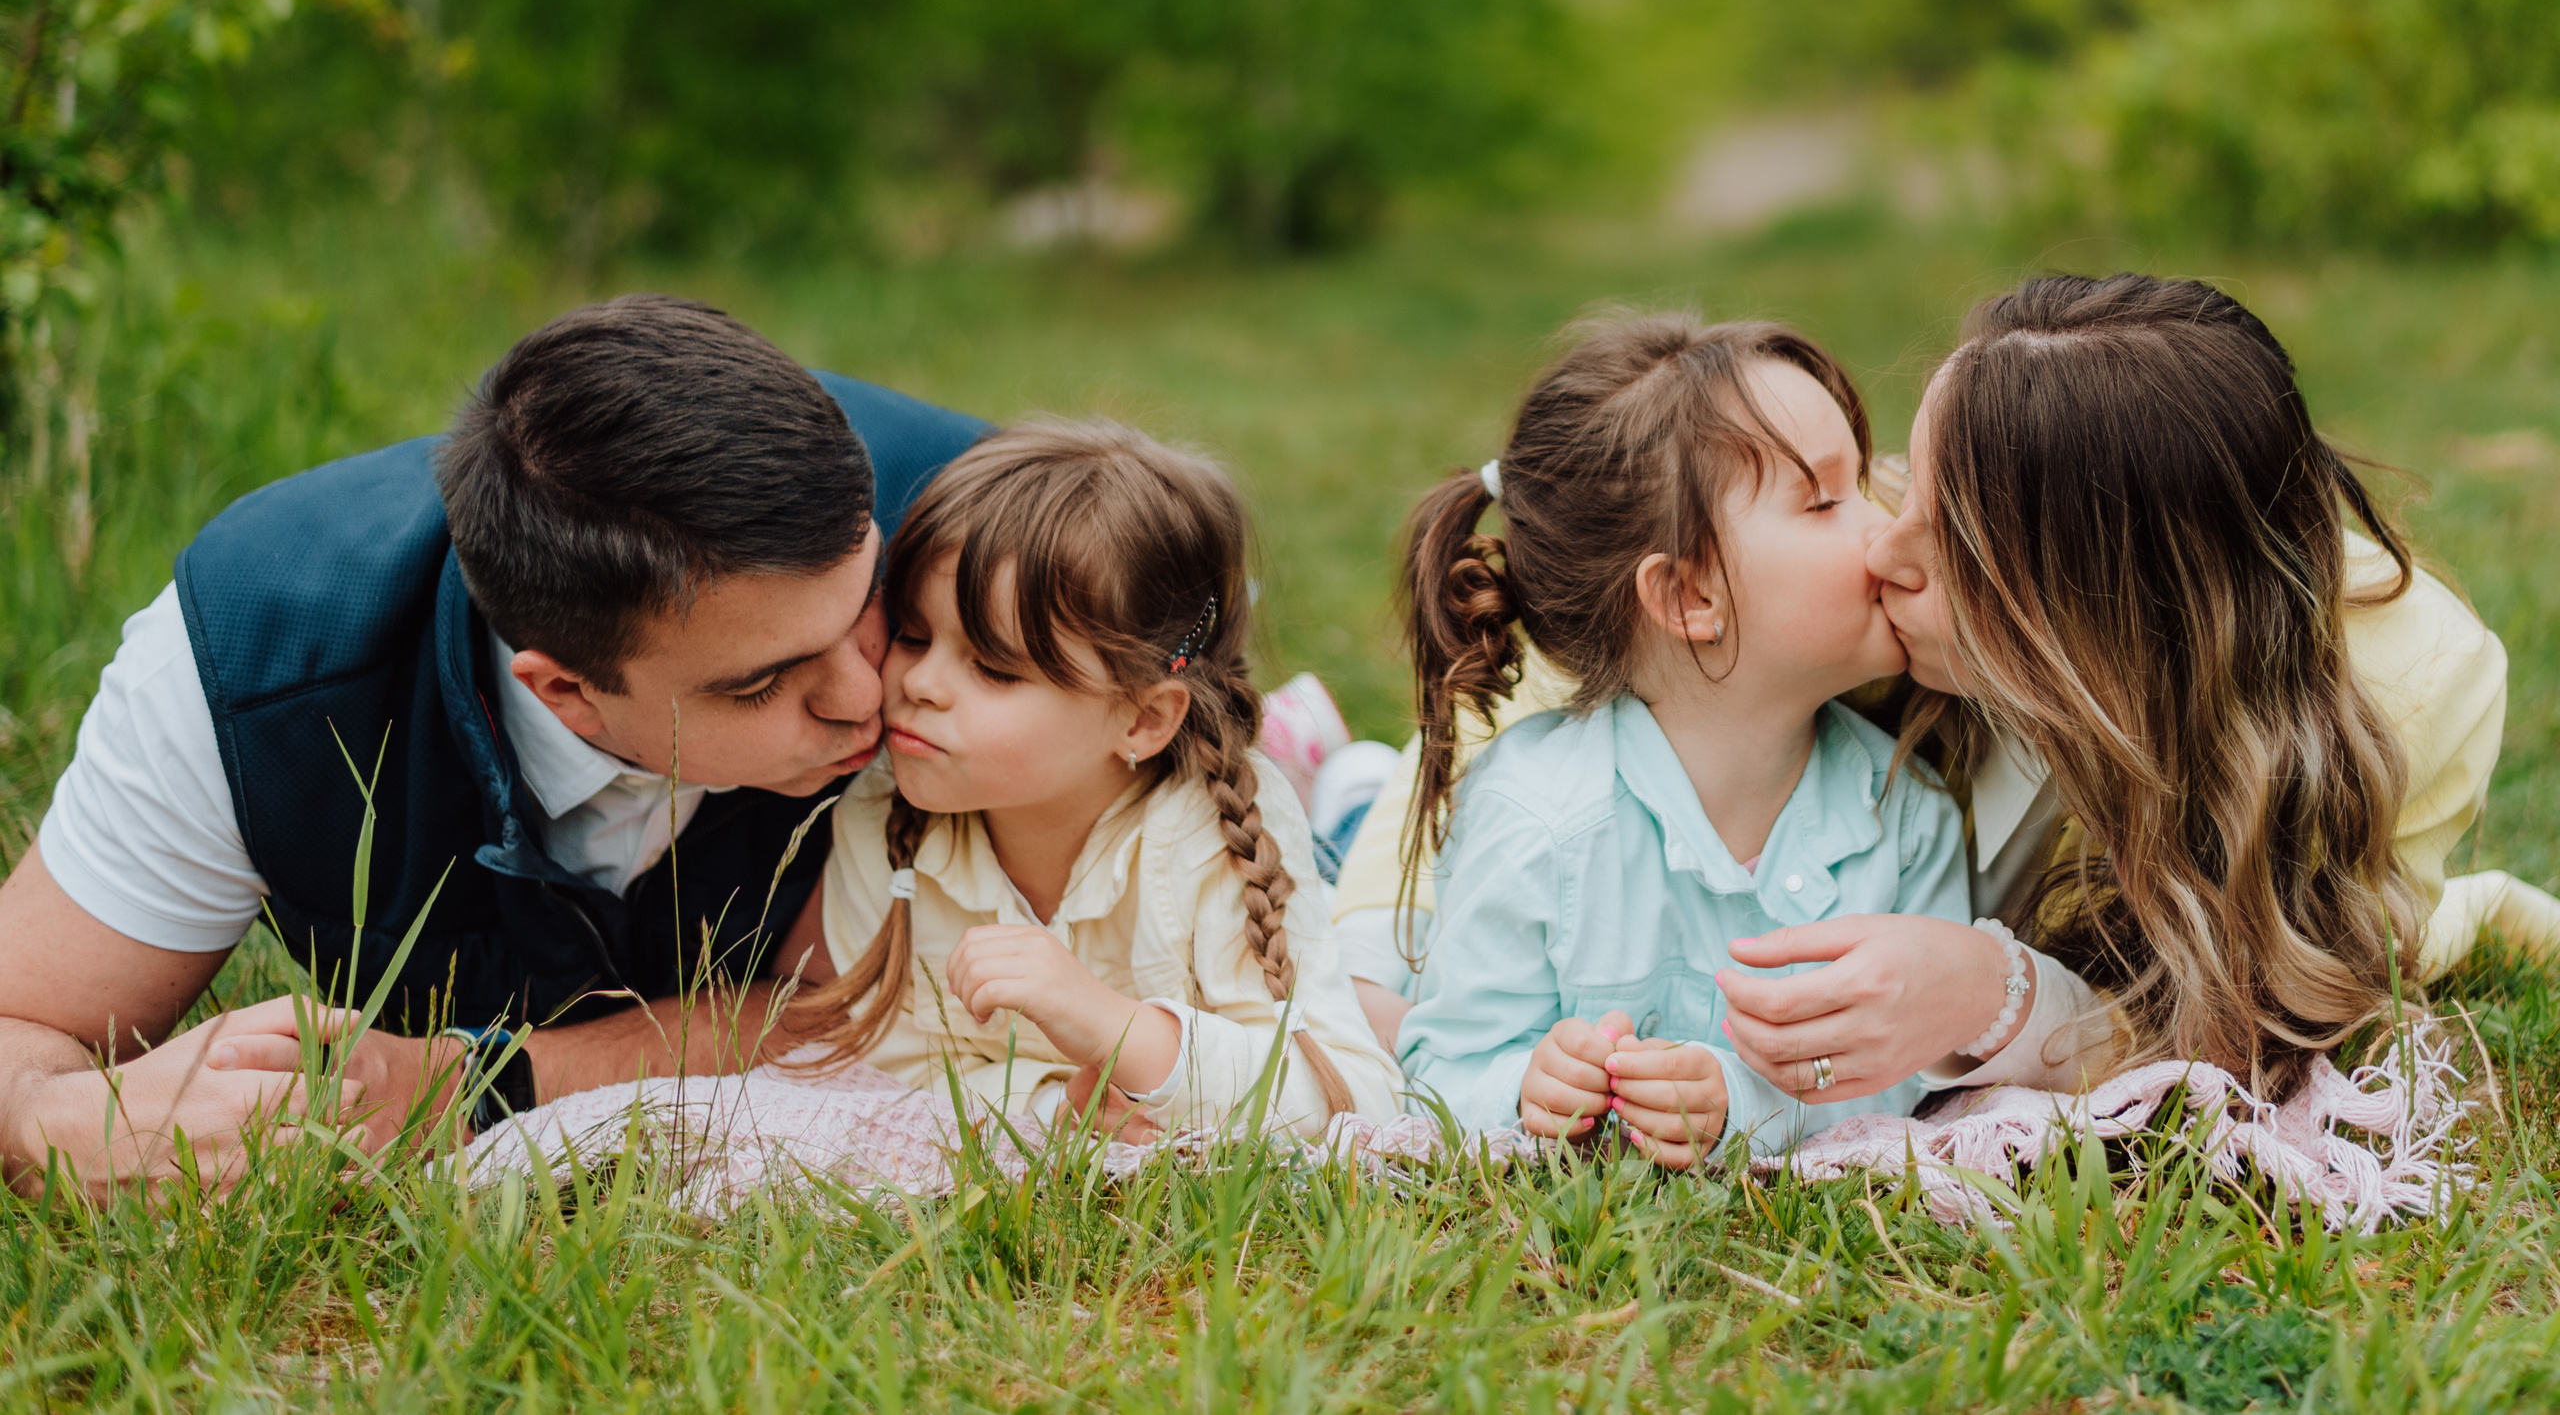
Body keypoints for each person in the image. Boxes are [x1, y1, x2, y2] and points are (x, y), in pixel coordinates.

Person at [0, 295, 986, 1195]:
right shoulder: (252, 665)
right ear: (566, 690)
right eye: (761, 682)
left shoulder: (990, 528)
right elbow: (21, 1023)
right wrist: (60, 1124)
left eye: (873, 600)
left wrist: (465, 1081)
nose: (873, 693)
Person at [1718, 273, 2546, 1102]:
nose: (1881, 553)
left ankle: (2489, 910)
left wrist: (1995, 995)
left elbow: (2262, 1028)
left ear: (2109, 612)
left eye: (1955, 546)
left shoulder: (2415, 694)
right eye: (1911, 501)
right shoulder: (1848, 568)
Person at [1392, 315, 1971, 1164]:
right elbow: (1441, 1064)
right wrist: (1523, 1087)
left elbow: (1922, 1077)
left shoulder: (1908, 818)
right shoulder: (1535, 820)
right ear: (1691, 597)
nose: (1883, 529)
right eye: (1824, 501)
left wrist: (1746, 1100)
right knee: (1370, 969)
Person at [782, 420, 1401, 1139]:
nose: (919, 683)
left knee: (1384, 983)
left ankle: (1354, 793)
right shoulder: (884, 810)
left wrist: (1119, 1031)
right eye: (914, 636)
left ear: (1142, 720)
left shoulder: (1218, 833)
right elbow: (887, 1061)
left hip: (1295, 854)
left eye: (993, 668)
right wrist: (1055, 1110)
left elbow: (1358, 1097)